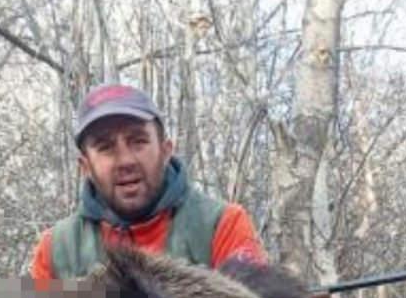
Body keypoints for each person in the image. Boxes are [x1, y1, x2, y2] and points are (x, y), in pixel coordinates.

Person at [28, 83, 267, 281]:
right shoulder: (55, 249)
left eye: (138, 141)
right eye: (105, 147)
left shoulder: (223, 225)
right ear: (86, 167)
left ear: (166, 150)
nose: (125, 160)